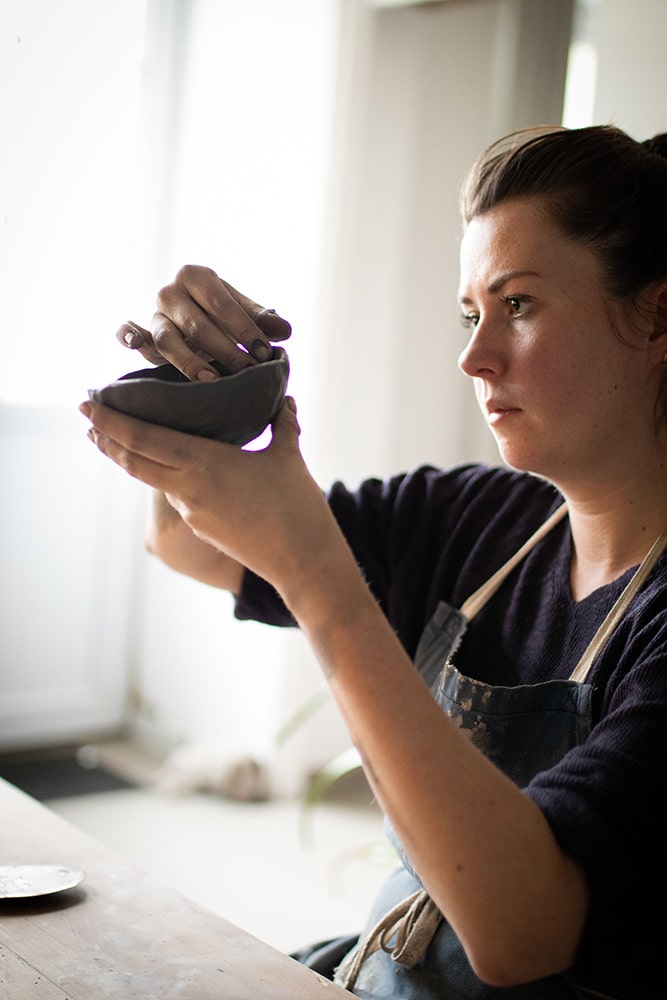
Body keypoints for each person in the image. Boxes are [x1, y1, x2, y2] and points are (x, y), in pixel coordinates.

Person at [79, 124, 667, 999]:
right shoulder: (481, 518)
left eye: (518, 305)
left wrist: (323, 585)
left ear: (655, 315)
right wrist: (197, 399)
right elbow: (185, 542)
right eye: (471, 314)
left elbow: (523, 932)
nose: (474, 357)